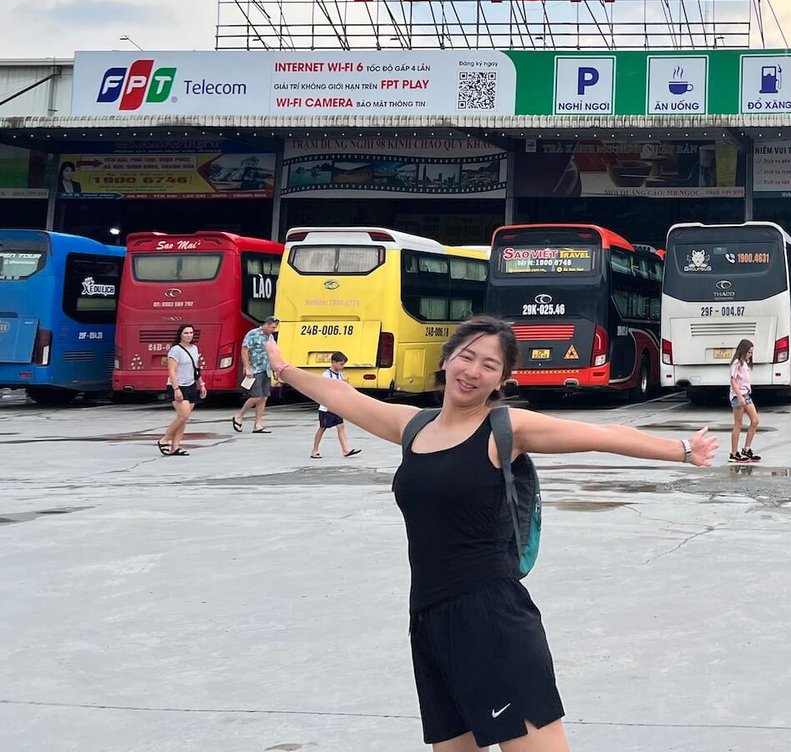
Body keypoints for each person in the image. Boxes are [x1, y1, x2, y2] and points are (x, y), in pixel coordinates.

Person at [267, 314, 718, 752]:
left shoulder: (506, 429)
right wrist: (285, 369)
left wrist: (681, 450)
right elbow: (344, 397)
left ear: (502, 378)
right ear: (446, 360)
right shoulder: (413, 426)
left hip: (494, 620)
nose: (474, 371)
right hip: (428, 619)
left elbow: (599, 434)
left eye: (490, 365)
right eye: (468, 357)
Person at [159, 324, 205, 456]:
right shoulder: (175, 350)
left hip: (191, 385)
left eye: (191, 333)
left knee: (183, 418)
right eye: (186, 333)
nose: (189, 335)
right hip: (178, 386)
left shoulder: (194, 348)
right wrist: (176, 389)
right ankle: (165, 439)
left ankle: (176, 446)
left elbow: (196, 369)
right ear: (180, 334)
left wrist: (201, 384)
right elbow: (172, 371)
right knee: (183, 415)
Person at [232, 315, 279, 434]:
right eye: (272, 327)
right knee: (256, 396)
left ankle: (258, 424)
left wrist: (275, 370)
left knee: (264, 397)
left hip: (267, 369)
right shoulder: (252, 334)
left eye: (275, 327)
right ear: (266, 325)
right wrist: (247, 367)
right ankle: (239, 416)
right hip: (255, 368)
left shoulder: (271, 337)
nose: (273, 330)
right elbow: (244, 350)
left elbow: (273, 354)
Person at [311, 351, 360, 459]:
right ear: (333, 362)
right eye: (341, 364)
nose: (342, 367)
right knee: (322, 428)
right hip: (326, 407)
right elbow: (326, 387)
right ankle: (315, 450)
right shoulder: (326, 374)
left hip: (337, 406)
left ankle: (346, 450)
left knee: (341, 427)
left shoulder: (340, 375)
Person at [728, 339, 761, 463]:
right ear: (743, 351)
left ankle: (746, 449)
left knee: (755, 420)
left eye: (751, 353)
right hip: (738, 396)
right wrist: (740, 396)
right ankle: (733, 453)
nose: (750, 355)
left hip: (746, 394)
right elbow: (733, 381)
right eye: (749, 352)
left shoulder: (745, 363)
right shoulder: (736, 363)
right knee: (738, 424)